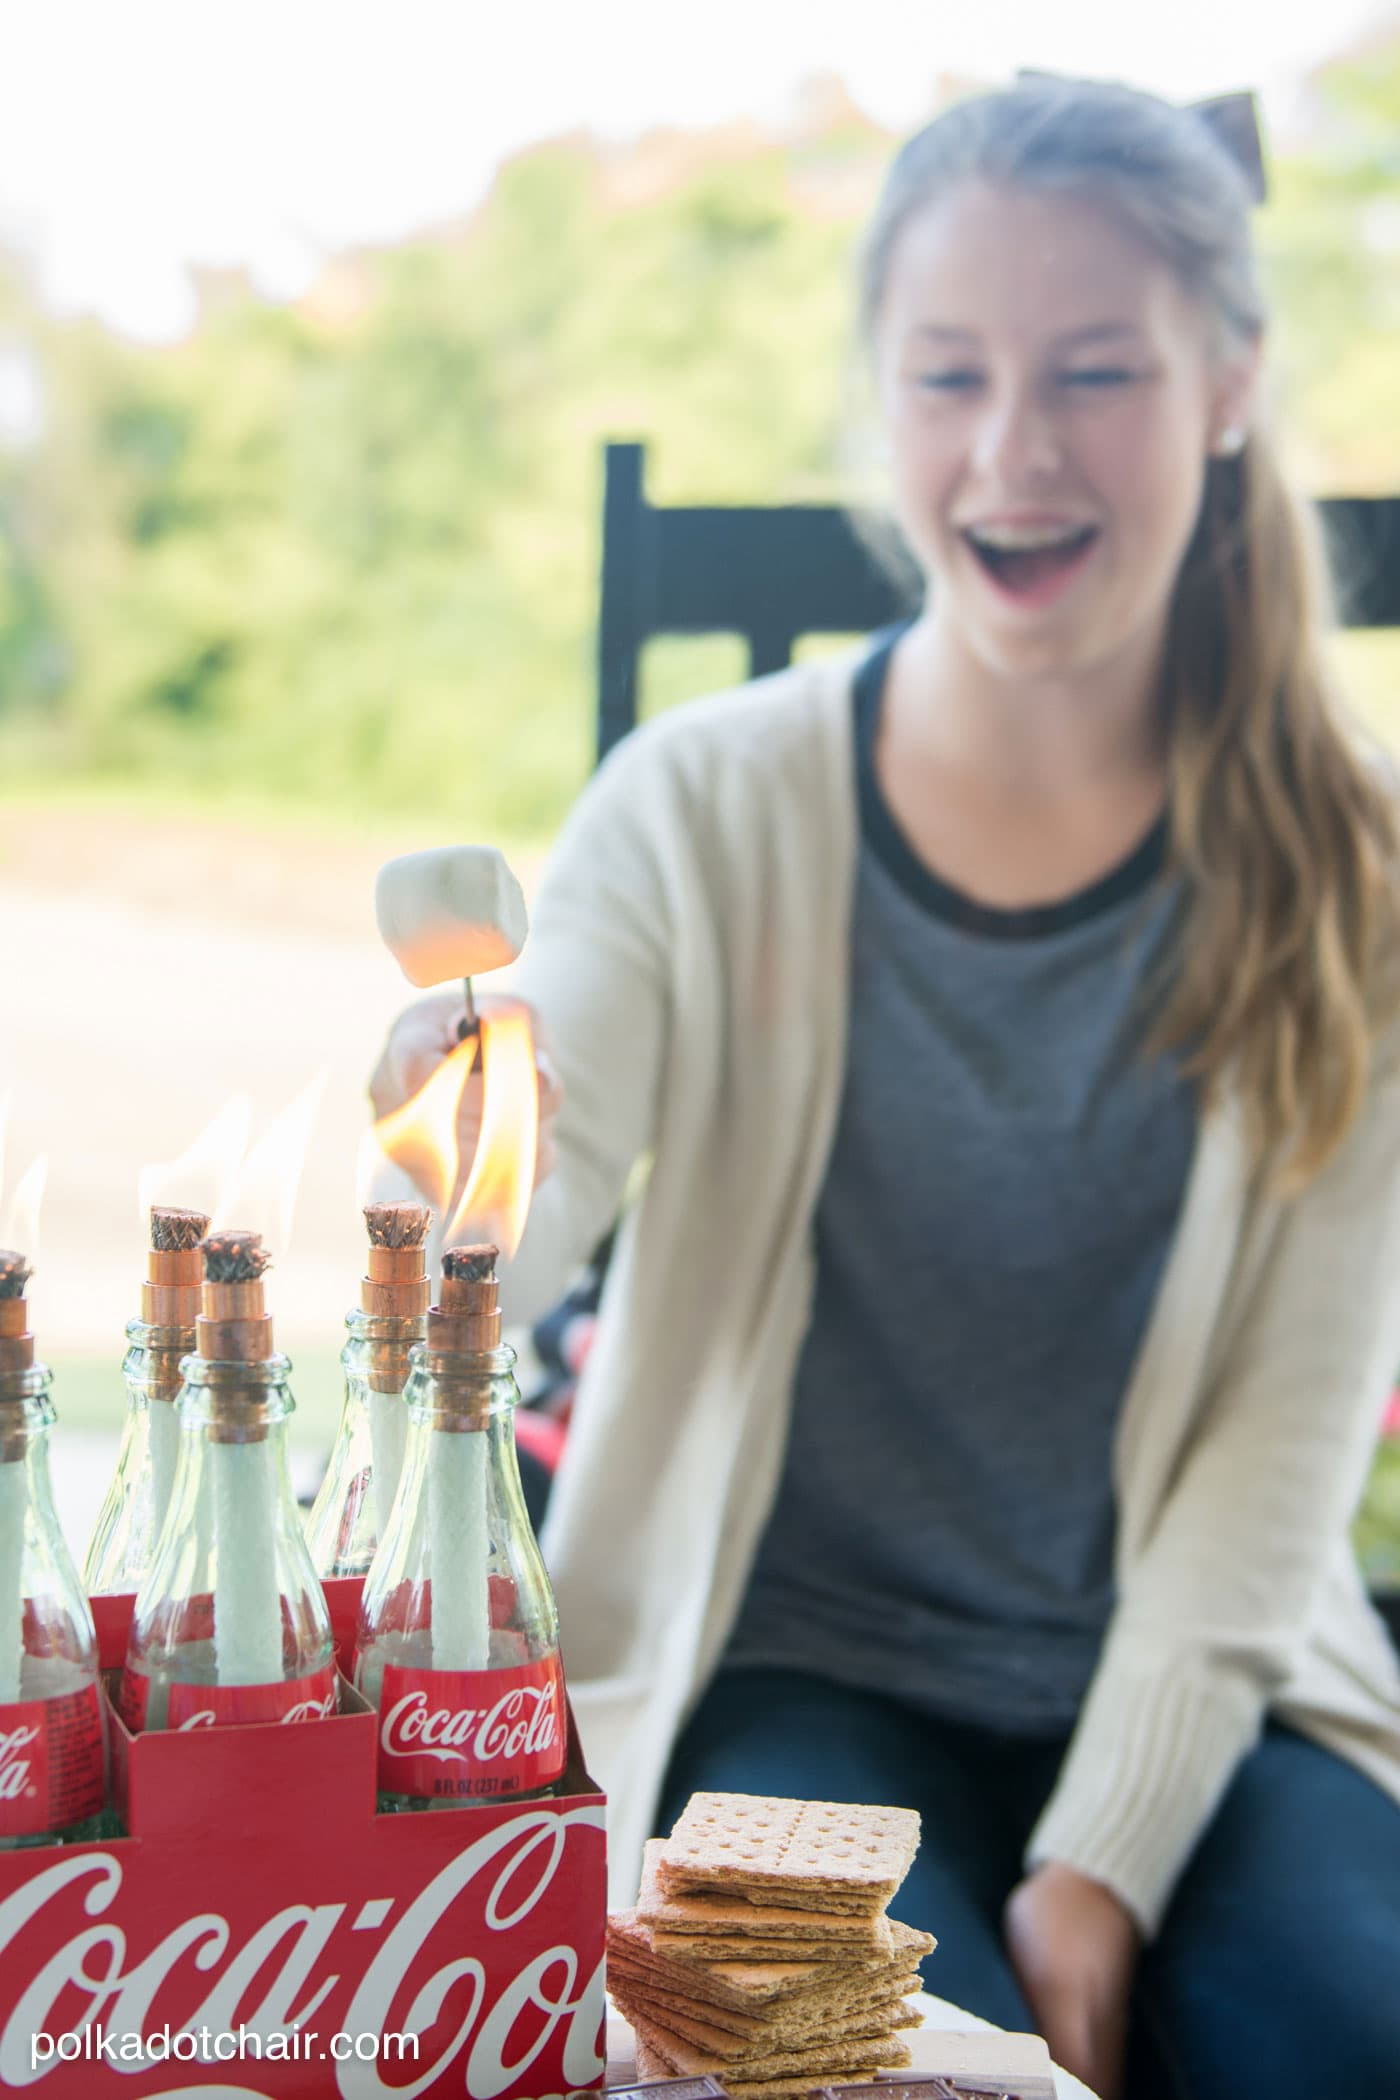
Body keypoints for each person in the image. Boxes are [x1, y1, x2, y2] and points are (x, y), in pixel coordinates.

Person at [369, 75, 1400, 2100]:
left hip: (1214, 1690)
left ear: (1225, 384)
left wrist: (1094, 1871)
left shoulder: (1349, 873)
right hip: (795, 1670)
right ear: (880, 400)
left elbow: (1279, 1465)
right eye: (947, 376)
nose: (1011, 451)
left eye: (1093, 371)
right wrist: (456, 1151)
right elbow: (518, 1199)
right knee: (842, 2078)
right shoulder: (704, 803)